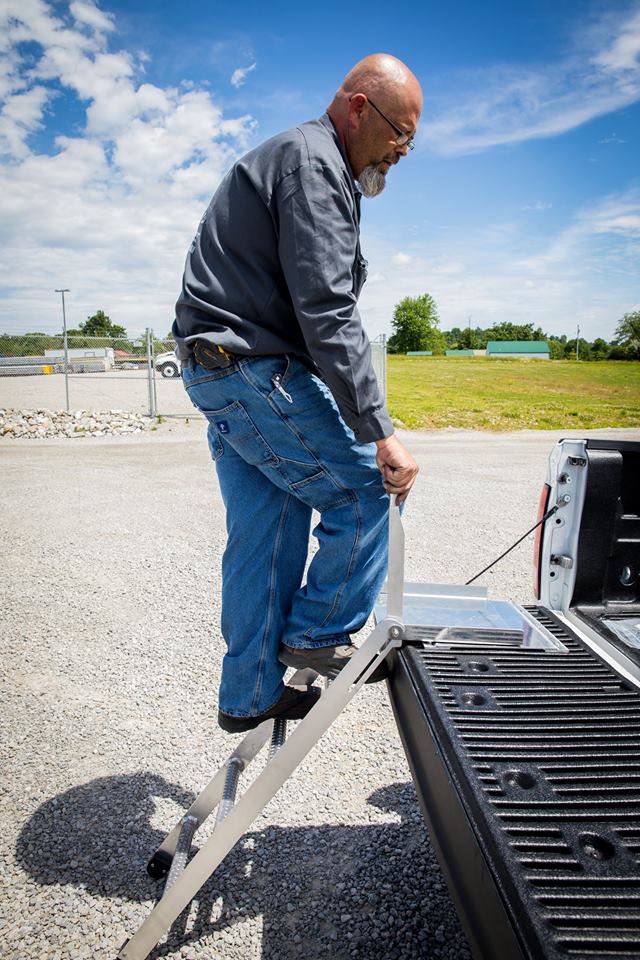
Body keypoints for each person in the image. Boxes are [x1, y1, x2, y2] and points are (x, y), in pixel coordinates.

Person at [173, 53, 421, 733]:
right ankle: (321, 629)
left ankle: (249, 692)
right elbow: (328, 309)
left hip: (223, 369)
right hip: (252, 370)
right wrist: (379, 431)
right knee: (369, 491)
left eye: (411, 141)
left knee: (267, 535)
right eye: (399, 133)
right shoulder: (313, 164)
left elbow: (312, 309)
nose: (402, 152)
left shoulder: (306, 161)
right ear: (358, 108)